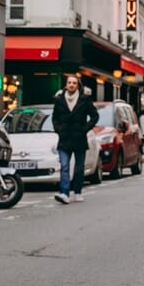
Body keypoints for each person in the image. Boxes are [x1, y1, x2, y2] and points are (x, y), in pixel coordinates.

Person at [51, 75, 98, 204]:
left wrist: (85, 129)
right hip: (64, 138)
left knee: (79, 167)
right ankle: (64, 192)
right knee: (64, 166)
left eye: (74, 83)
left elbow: (94, 116)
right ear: (66, 84)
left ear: (78, 85)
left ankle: (77, 191)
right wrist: (58, 129)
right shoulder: (59, 99)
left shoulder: (85, 99)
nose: (71, 85)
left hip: (79, 138)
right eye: (69, 83)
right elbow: (54, 117)